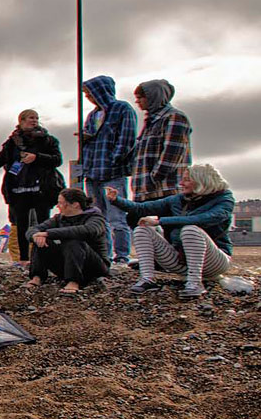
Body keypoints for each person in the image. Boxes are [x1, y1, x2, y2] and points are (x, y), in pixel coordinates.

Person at [110, 164, 233, 300]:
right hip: (180, 261)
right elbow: (142, 208)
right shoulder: (178, 199)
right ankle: (147, 279)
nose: (181, 183)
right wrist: (116, 200)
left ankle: (195, 283)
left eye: (186, 180)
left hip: (214, 263)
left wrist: (161, 221)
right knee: (142, 229)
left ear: (201, 181)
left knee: (190, 229)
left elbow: (206, 218)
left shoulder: (224, 200)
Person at [0, 110, 63, 263]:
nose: (34, 121)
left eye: (36, 118)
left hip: (42, 187)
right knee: (20, 224)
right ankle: (22, 259)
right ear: (21, 121)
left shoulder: (48, 140)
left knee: (43, 223)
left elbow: (57, 160)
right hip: (18, 188)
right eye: (31, 118)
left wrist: (36, 157)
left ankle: (43, 258)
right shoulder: (12, 143)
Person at [79, 76, 138, 265]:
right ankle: (104, 255)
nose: (88, 97)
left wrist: (115, 159)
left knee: (117, 217)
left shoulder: (122, 109)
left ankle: (122, 256)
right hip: (92, 172)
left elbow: (127, 139)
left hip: (112, 172)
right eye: (86, 95)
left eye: (90, 93)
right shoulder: (92, 115)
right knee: (98, 217)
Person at [26, 188, 109, 293]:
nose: (58, 206)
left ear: (75, 204)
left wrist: (48, 233)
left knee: (73, 240)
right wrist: (35, 236)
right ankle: (37, 277)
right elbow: (34, 230)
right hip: (67, 264)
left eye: (61, 203)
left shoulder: (95, 218)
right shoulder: (59, 218)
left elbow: (88, 230)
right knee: (41, 240)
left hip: (94, 267)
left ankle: (73, 282)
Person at [130, 79, 193, 205]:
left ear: (153, 97)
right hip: (145, 192)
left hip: (166, 191)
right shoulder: (150, 121)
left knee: (167, 224)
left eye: (140, 97)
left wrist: (154, 177)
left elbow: (172, 154)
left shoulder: (174, 117)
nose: (137, 101)